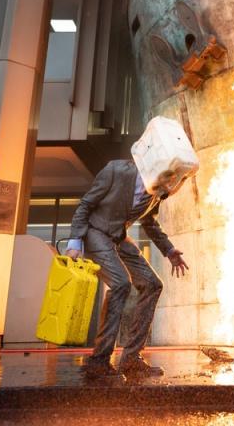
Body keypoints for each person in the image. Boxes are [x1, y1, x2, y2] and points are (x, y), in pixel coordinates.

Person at [65, 159, 190, 378]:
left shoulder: (157, 192)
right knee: (121, 284)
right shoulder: (116, 170)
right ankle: (99, 361)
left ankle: (132, 359)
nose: (176, 184)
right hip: (95, 232)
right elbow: (86, 204)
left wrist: (169, 251)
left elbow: (149, 223)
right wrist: (75, 240)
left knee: (152, 284)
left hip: (118, 236)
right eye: (176, 178)